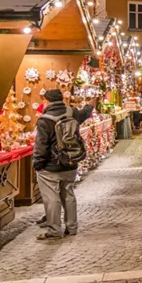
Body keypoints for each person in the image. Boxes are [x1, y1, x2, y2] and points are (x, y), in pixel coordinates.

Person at [33, 89, 95, 240]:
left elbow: (41, 145)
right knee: (68, 193)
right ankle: (72, 227)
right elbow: (84, 114)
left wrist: (38, 163)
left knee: (51, 197)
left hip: (51, 165)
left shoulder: (45, 120)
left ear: (47, 101)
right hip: (70, 161)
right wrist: (89, 106)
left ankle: (54, 230)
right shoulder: (72, 112)